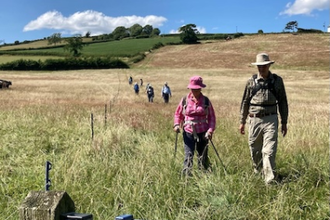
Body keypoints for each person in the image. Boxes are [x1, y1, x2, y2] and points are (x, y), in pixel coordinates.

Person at [239, 53, 288, 185]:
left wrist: (284, 122)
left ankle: (269, 181)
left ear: (269, 65)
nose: (262, 68)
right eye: (259, 66)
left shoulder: (277, 81)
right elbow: (245, 102)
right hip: (254, 119)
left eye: (264, 66)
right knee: (255, 149)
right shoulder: (251, 82)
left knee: (269, 151)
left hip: (271, 119)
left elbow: (283, 101)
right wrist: (242, 122)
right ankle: (258, 172)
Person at [173, 76, 216, 176]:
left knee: (203, 156)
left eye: (196, 89)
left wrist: (210, 131)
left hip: (203, 133)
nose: (194, 91)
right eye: (192, 89)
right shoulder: (185, 100)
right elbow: (178, 114)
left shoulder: (206, 101)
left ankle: (204, 176)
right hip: (188, 132)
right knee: (188, 155)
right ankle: (186, 178)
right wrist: (176, 124)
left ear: (200, 88)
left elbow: (211, 117)